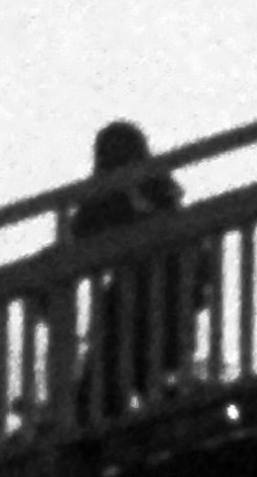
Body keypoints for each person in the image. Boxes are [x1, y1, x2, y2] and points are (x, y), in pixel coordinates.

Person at [29, 119, 198, 446]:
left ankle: (112, 439)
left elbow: (75, 239)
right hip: (140, 311)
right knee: (109, 390)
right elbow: (73, 241)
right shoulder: (134, 194)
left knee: (108, 389)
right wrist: (46, 277)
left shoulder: (154, 194)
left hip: (153, 311)